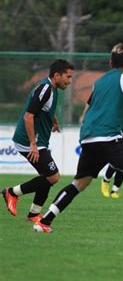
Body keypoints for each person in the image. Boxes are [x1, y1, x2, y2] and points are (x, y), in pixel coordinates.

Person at [33, 43, 123, 234]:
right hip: (108, 138)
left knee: (79, 183)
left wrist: (85, 122)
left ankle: (44, 221)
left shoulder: (99, 82)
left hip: (88, 138)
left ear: (110, 62)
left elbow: (88, 107)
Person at [2, 59, 74, 222]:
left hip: (37, 141)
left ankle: (34, 214)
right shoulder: (46, 89)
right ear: (57, 75)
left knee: (46, 177)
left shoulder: (52, 89)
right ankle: (12, 192)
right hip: (29, 141)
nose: (69, 81)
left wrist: (53, 120)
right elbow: (28, 116)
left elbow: (43, 108)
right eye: (68, 77)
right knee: (53, 177)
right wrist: (32, 144)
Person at [80, 93, 123, 199]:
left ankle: (114, 190)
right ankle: (106, 180)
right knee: (117, 162)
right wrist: (84, 115)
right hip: (115, 131)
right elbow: (90, 101)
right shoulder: (114, 91)